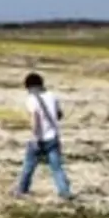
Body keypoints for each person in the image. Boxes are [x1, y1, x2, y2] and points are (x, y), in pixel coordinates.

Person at [14, 71, 73, 201]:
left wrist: (35, 137)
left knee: (29, 166)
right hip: (53, 137)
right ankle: (65, 191)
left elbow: (35, 119)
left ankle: (22, 189)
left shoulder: (31, 100)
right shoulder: (52, 96)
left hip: (39, 138)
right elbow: (59, 115)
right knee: (57, 168)